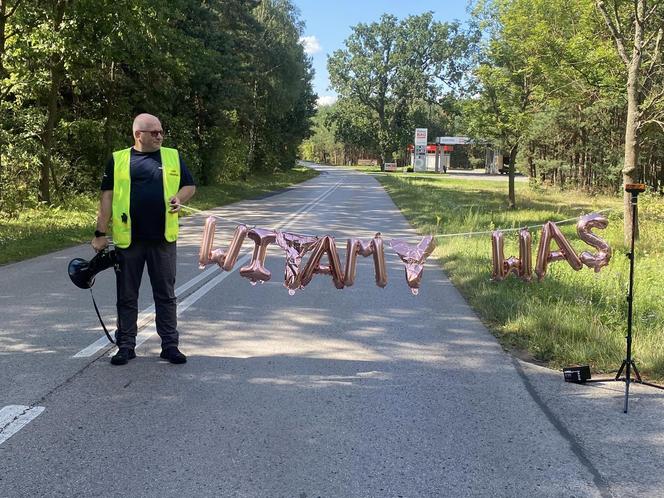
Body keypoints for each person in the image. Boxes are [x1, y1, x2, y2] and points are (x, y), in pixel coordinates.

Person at [92, 113, 196, 366]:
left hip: (162, 239)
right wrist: (100, 233)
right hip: (130, 241)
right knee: (127, 295)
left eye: (161, 131)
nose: (160, 136)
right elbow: (106, 197)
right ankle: (126, 346)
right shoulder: (118, 160)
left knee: (165, 294)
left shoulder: (172, 156)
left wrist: (180, 199)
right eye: (154, 132)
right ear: (138, 135)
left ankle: (170, 346)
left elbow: (189, 186)